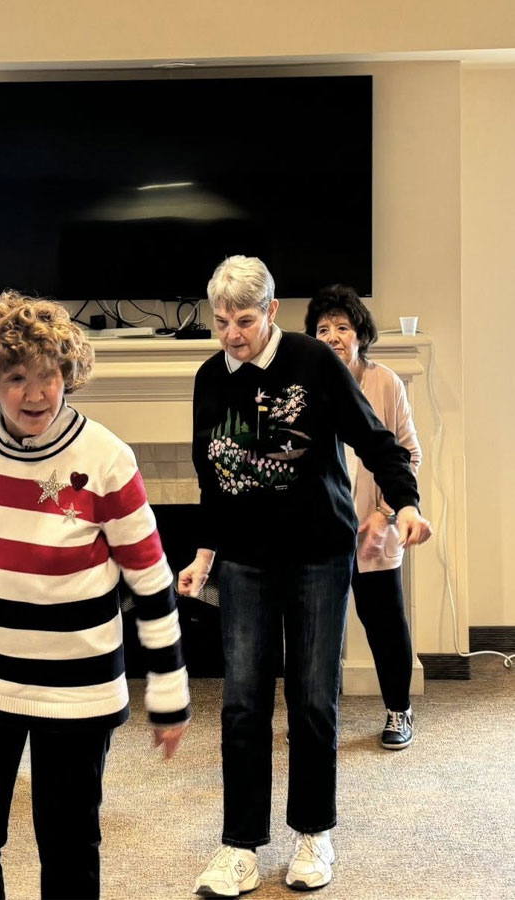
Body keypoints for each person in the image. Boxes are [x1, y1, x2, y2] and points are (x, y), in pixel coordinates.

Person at [0, 291, 191, 900]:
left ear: (67, 374)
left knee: (69, 845)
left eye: (49, 375)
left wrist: (169, 684)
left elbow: (150, 576)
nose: (36, 394)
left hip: (78, 687)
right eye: (16, 377)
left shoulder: (107, 456)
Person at [178, 256, 432, 896]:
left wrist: (404, 504)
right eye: (221, 321)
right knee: (242, 703)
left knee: (314, 699)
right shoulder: (209, 378)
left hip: (318, 553)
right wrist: (204, 554)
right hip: (245, 561)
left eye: (244, 320)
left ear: (271, 312)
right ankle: (240, 845)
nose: (232, 334)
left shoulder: (314, 362)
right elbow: (213, 481)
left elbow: (377, 441)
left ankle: (314, 833)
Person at [305, 284, 421, 749]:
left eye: (342, 327)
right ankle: (315, 718)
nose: (332, 336)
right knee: (317, 632)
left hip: (375, 532)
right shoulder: (304, 386)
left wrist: (385, 513)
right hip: (320, 533)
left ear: (360, 335)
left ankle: (399, 710)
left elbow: (408, 454)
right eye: (322, 329)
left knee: (385, 625)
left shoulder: (385, 384)